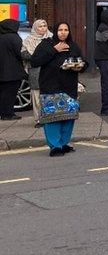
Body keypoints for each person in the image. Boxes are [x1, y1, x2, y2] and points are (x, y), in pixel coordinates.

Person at [31, 22, 87, 156]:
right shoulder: (46, 44)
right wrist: (54, 50)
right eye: (60, 30)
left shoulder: (73, 46)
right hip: (50, 86)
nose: (63, 32)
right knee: (52, 117)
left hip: (69, 86)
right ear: (55, 31)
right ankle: (54, 146)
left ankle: (63, 143)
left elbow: (83, 62)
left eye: (66, 30)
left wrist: (79, 67)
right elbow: (35, 61)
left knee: (68, 117)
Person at [20, 19, 52, 122]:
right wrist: (37, 57)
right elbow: (24, 54)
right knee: (36, 96)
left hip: (49, 71)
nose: (43, 28)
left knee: (49, 95)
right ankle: (38, 119)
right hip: (35, 71)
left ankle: (50, 117)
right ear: (35, 28)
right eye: (40, 26)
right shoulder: (28, 40)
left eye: (44, 26)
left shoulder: (51, 38)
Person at [0, 19, 26, 121]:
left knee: (2, 93)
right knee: (10, 94)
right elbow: (20, 53)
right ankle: (8, 114)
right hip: (13, 71)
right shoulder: (14, 38)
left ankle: (2, 113)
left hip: (2, 71)